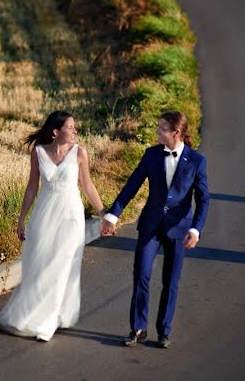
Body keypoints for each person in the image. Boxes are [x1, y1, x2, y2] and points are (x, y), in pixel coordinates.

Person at [100, 110, 210, 349]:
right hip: (150, 225)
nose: (157, 132)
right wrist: (113, 215)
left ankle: (164, 330)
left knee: (170, 280)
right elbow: (131, 185)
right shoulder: (150, 155)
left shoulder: (197, 161)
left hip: (179, 229)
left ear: (176, 132)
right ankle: (138, 328)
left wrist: (195, 229)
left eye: (161, 128)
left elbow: (203, 199)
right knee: (141, 274)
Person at [0, 110, 105, 341]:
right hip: (44, 216)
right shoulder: (38, 152)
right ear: (56, 131)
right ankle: (35, 314)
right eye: (71, 127)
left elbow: (88, 186)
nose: (75, 131)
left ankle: (49, 321)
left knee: (62, 265)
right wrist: (21, 218)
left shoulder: (79, 153)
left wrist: (104, 214)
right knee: (41, 266)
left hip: (71, 218)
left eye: (75, 127)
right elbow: (32, 188)